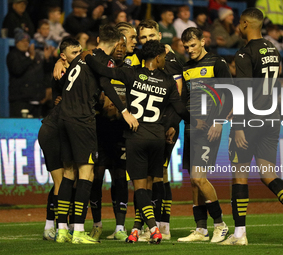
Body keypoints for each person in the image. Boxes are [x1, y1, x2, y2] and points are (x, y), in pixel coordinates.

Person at [84, 40, 207, 244]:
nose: (164, 61)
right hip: (158, 138)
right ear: (157, 57)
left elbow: (102, 72)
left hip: (136, 136)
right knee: (150, 186)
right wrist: (197, 121)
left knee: (140, 188)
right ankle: (136, 228)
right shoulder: (168, 80)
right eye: (163, 58)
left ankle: (153, 228)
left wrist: (87, 56)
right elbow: (179, 108)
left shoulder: (131, 73)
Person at [220, 7, 283, 246]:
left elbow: (242, 90)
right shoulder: (273, 50)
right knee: (267, 173)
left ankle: (239, 235)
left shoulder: (243, 54)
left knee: (239, 176)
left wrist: (239, 125)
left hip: (249, 119)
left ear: (244, 24)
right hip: (271, 118)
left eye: (239, 24)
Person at [56, 24, 138, 245]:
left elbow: (99, 82)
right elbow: (107, 82)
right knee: (87, 174)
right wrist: (125, 111)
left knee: (68, 173)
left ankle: (62, 229)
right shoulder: (103, 60)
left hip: (63, 118)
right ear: (117, 43)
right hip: (82, 120)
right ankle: (79, 231)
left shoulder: (84, 56)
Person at [178, 27, 232, 243]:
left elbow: (229, 93)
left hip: (210, 128)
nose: (190, 50)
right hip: (191, 128)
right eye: (186, 47)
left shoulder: (217, 63)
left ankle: (220, 224)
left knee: (200, 178)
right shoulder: (186, 68)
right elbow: (184, 98)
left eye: (193, 45)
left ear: (202, 41)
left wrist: (218, 122)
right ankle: (201, 229)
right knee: (193, 181)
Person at [135, 19, 186, 241]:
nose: (148, 40)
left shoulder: (169, 58)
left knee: (156, 175)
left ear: (159, 34)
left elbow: (178, 94)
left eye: (151, 36)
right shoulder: (139, 57)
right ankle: (156, 224)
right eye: (143, 37)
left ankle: (160, 225)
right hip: (147, 124)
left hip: (164, 125)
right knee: (153, 175)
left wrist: (172, 125)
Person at [39, 37, 82, 241]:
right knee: (62, 181)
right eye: (74, 53)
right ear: (64, 56)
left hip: (65, 129)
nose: (79, 56)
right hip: (53, 130)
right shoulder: (64, 71)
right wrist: (60, 63)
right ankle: (56, 226)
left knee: (68, 180)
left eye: (80, 52)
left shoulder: (75, 67)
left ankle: (59, 224)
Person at [89, 34, 130, 242]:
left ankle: (120, 227)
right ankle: (96, 225)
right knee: (95, 178)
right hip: (99, 130)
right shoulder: (98, 65)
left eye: (124, 45)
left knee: (120, 179)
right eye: (118, 45)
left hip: (121, 133)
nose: (121, 48)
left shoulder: (130, 69)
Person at [7, 28, 53, 118]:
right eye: (22, 41)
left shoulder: (35, 55)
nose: (25, 43)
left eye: (27, 41)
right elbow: (17, 70)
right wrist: (30, 58)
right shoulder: (13, 55)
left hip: (36, 100)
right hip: (20, 100)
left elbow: (46, 72)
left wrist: (47, 59)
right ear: (17, 42)